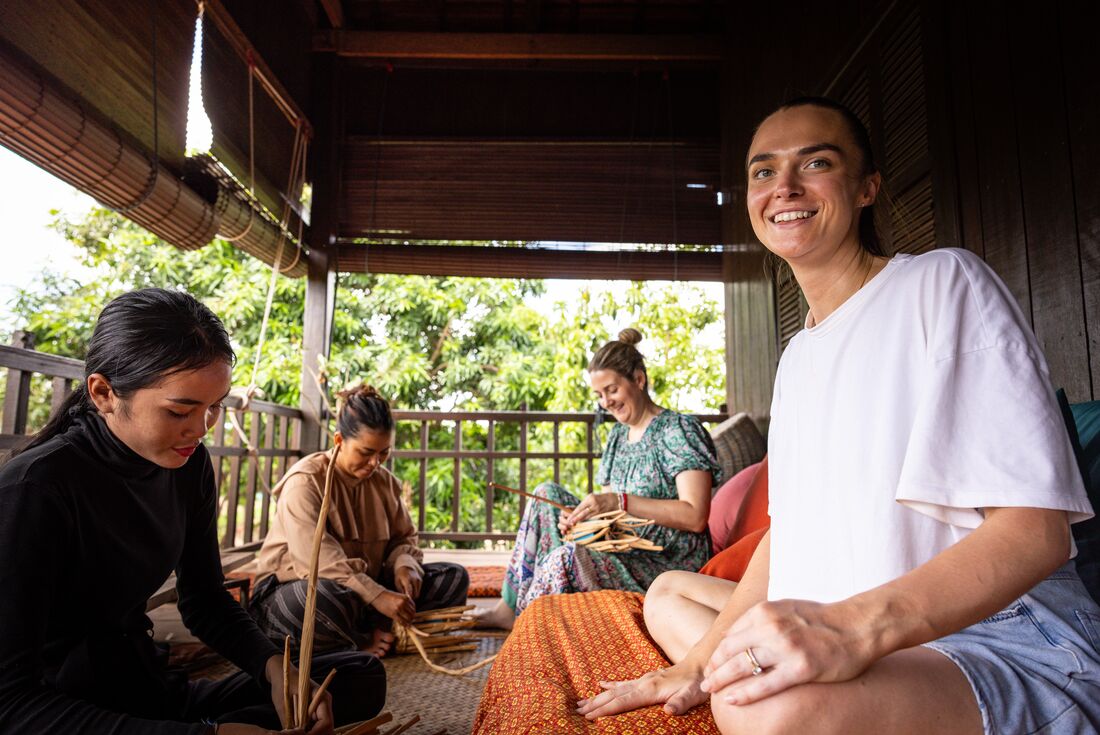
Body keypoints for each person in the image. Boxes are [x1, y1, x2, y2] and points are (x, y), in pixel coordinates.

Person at [575, 97, 1100, 734]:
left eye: (815, 162)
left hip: (993, 636)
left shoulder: (942, 285)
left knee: (760, 704)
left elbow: (1035, 533)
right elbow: (787, 534)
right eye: (762, 172)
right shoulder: (797, 355)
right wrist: (697, 666)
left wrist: (849, 631)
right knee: (667, 595)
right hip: (848, 613)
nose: (784, 188)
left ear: (866, 187)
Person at [0, 288, 385, 735]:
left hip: (147, 690)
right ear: (104, 393)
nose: (201, 428)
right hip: (63, 710)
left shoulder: (187, 464)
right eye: (181, 409)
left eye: (215, 407)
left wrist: (274, 669)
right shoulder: (35, 490)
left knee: (354, 678)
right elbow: (11, 703)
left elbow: (204, 602)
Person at [476, 328, 721, 630]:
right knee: (545, 497)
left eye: (612, 390)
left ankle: (529, 631)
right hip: (623, 545)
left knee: (564, 559)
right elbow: (612, 517)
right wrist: (581, 523)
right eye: (599, 394)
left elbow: (695, 516)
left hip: (664, 560)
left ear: (639, 380)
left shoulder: (678, 430)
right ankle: (509, 608)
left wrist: (620, 501)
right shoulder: (618, 436)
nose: (606, 402)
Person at [249, 384, 469, 658]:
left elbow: (404, 538)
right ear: (339, 440)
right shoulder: (305, 481)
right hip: (299, 593)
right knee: (319, 601)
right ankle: (360, 641)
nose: (375, 462)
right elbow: (316, 565)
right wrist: (378, 596)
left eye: (384, 453)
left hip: (361, 597)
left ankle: (374, 632)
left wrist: (405, 566)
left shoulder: (385, 482)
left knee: (453, 578)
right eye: (366, 452)